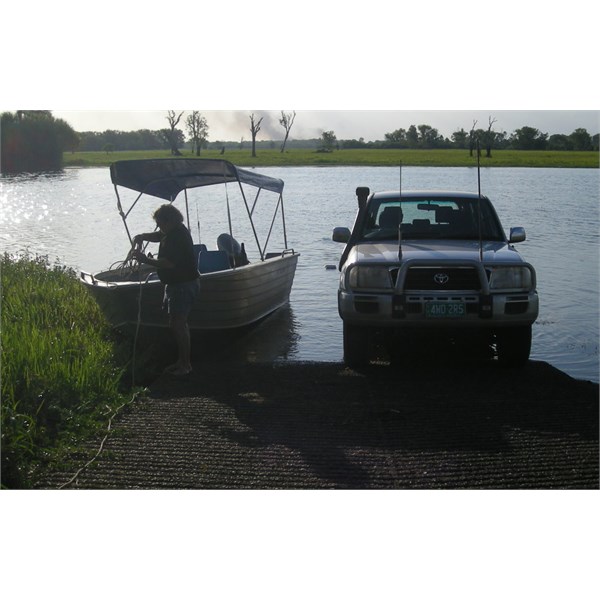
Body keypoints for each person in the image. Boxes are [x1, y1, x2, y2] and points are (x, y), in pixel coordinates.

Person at [132, 204, 199, 376]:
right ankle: (182, 361)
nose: (159, 227)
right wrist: (142, 236)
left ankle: (186, 365)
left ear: (169, 221)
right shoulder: (172, 231)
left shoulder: (177, 237)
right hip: (177, 284)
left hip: (183, 285)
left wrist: (144, 260)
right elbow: (159, 235)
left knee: (179, 324)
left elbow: (168, 263)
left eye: (160, 223)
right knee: (177, 323)